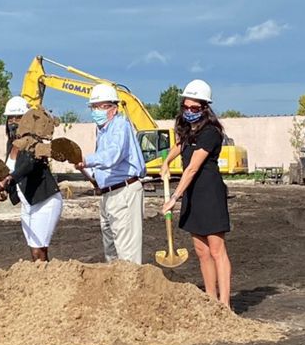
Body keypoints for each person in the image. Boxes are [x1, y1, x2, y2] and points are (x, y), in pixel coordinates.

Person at [161, 79, 232, 308]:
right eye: (186, 107)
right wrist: (166, 162)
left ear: (204, 108)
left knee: (216, 249)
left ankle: (224, 304)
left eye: (195, 108)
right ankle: (211, 299)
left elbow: (192, 167)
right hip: (192, 194)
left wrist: (174, 197)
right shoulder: (186, 128)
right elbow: (181, 145)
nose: (190, 112)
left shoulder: (210, 132)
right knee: (201, 251)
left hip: (209, 192)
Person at [74, 84, 146, 264]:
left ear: (113, 108)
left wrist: (87, 159)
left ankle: (130, 289)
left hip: (124, 191)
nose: (96, 111)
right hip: (109, 194)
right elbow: (100, 167)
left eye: (100, 106)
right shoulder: (102, 131)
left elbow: (114, 155)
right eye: (94, 107)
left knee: (127, 252)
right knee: (111, 252)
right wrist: (82, 166)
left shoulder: (120, 125)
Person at [0, 96, 62, 262]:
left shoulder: (34, 144)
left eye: (18, 118)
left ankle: (46, 283)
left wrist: (10, 178)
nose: (13, 122)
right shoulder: (11, 145)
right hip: (28, 203)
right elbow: (12, 172)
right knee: (34, 251)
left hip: (44, 201)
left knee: (39, 251)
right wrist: (4, 188)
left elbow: (29, 166)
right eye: (10, 118)